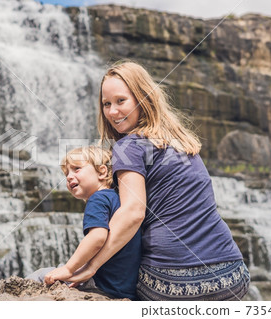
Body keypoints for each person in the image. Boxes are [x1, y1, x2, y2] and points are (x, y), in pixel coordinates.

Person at [62, 61, 250, 301]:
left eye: (121, 101)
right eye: (106, 104)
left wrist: (90, 266)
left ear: (143, 98)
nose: (112, 112)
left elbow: (132, 213)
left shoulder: (127, 146)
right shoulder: (181, 143)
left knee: (50, 277)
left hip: (172, 282)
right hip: (232, 275)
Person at [26, 146, 141, 300]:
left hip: (102, 285)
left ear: (102, 172)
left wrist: (69, 268)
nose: (68, 177)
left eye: (76, 169)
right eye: (67, 173)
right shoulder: (120, 199)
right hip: (124, 286)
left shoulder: (97, 200)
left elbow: (97, 237)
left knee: (39, 276)